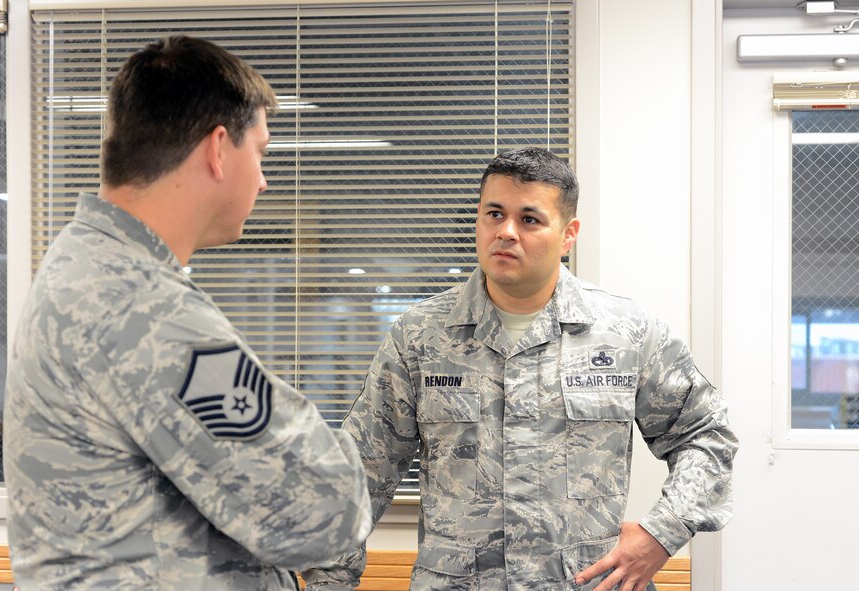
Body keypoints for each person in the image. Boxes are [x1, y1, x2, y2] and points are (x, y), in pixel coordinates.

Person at [3, 35, 372, 590]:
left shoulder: (88, 265)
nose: (265, 180)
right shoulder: (138, 305)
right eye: (262, 152)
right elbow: (327, 512)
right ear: (218, 150)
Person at [302, 147, 738, 591]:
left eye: (529, 219)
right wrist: (327, 583)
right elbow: (360, 470)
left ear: (568, 234)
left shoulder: (625, 333)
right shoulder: (420, 336)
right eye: (494, 213)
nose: (506, 232)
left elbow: (705, 434)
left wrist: (660, 534)